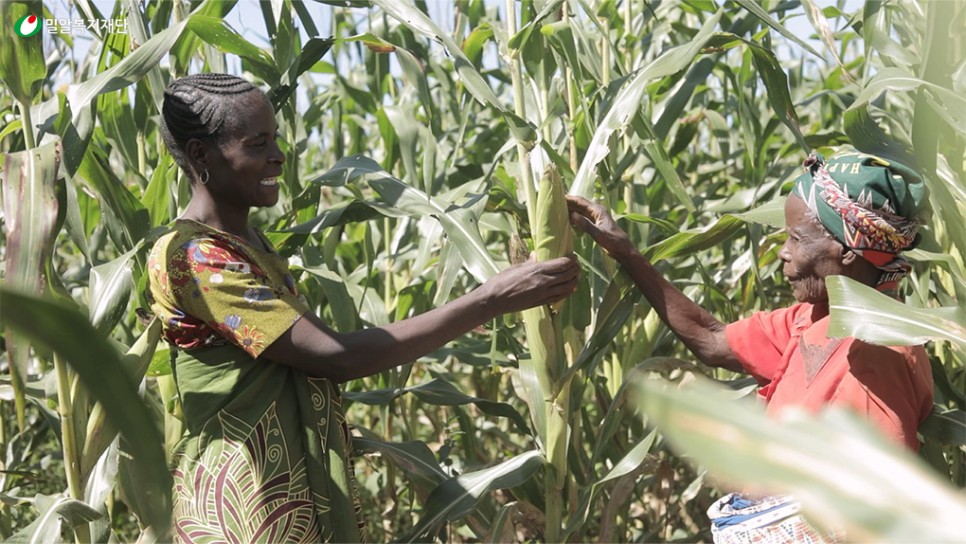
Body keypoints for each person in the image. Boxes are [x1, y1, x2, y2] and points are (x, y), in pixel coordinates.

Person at [146, 73, 579, 543]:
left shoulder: (247, 243)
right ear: (200, 155)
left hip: (287, 492)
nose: (278, 155)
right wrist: (491, 298)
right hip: (243, 508)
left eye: (276, 138)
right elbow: (337, 356)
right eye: (258, 143)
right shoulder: (194, 257)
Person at [567, 150, 933, 544]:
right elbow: (710, 338)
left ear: (846, 249)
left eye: (797, 238)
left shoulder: (879, 352)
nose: (783, 252)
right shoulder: (812, 318)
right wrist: (624, 250)